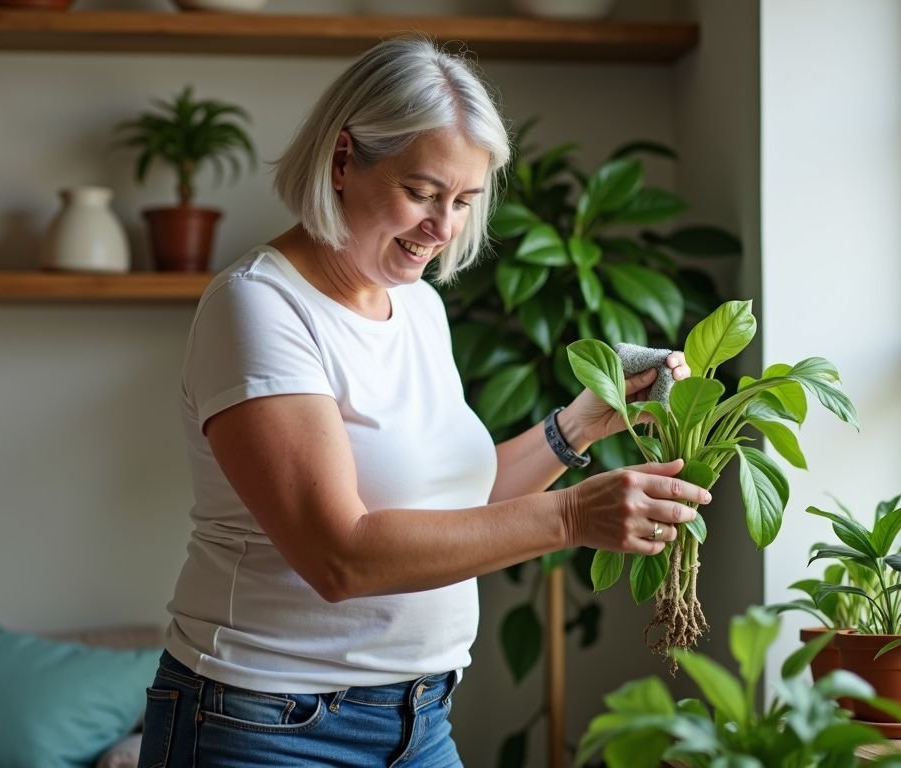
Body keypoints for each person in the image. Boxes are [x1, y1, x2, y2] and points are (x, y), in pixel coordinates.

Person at [137, 36, 710, 768]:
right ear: (343, 160)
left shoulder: (416, 309)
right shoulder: (259, 307)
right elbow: (337, 556)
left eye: (466, 201)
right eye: (422, 192)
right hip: (263, 725)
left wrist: (583, 424)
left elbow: (455, 507)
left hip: (420, 720)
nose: (443, 229)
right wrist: (571, 516)